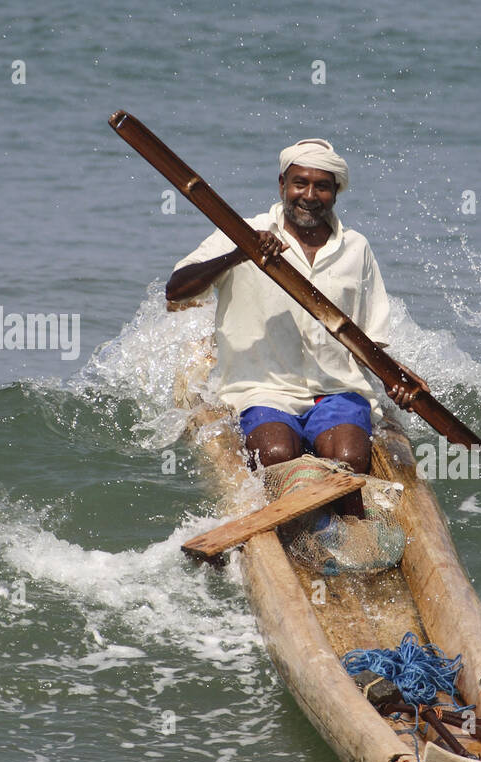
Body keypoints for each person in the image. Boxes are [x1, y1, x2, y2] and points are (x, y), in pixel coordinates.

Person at [166, 138, 425, 517]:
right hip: (261, 388)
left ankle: (338, 522)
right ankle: (297, 522)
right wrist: (242, 253)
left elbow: (368, 339)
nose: (309, 195)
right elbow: (176, 290)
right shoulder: (244, 232)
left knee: (351, 459)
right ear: (282, 185)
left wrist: (395, 378)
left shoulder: (356, 248)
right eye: (299, 183)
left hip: (336, 390)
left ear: (336, 192)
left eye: (322, 186)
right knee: (276, 456)